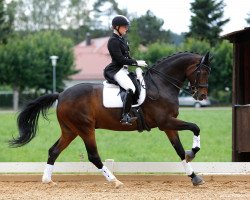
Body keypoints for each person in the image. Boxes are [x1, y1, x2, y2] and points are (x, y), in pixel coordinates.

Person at [104, 15, 148, 126]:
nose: (126, 29)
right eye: (124, 27)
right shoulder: (113, 41)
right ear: (117, 27)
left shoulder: (121, 39)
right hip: (115, 70)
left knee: (138, 84)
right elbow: (120, 59)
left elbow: (127, 57)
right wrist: (136, 62)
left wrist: (137, 65)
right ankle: (125, 116)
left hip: (124, 70)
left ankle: (135, 110)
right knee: (130, 88)